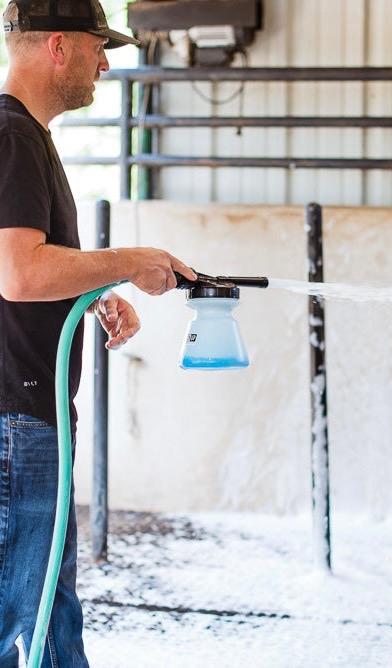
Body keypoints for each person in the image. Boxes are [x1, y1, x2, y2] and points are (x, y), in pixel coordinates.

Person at [0, 1, 197, 664]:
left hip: (27, 421)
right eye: (96, 45)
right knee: (20, 625)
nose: (105, 62)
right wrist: (130, 261)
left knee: (51, 625)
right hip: (15, 428)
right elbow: (20, 274)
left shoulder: (23, 136)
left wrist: (90, 296)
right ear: (58, 46)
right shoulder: (12, 136)